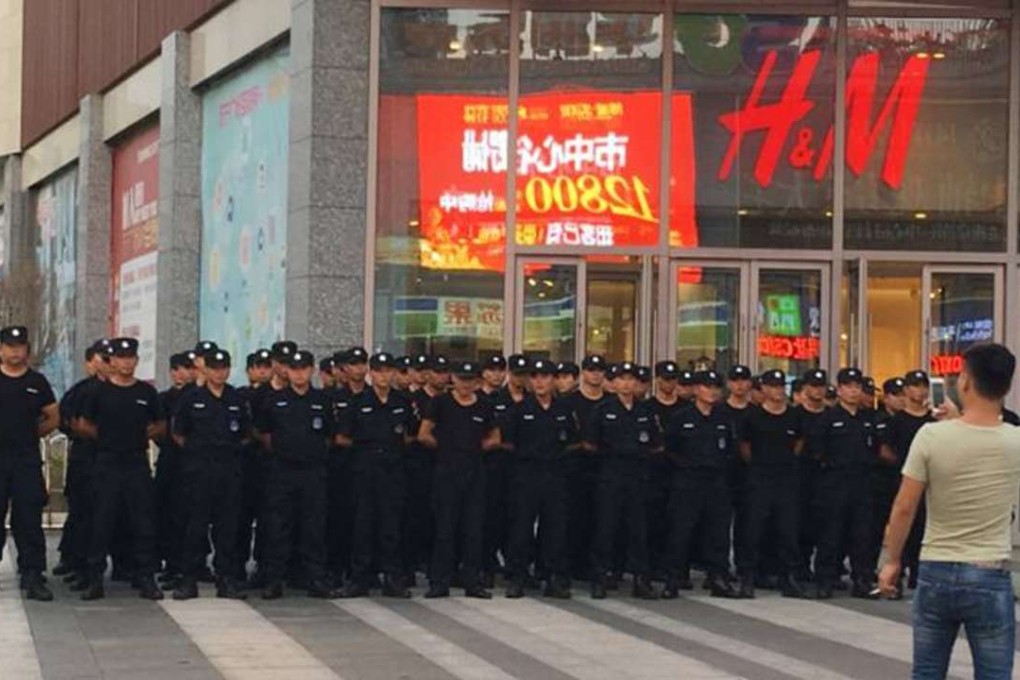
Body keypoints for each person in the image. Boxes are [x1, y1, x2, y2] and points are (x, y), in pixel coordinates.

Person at [879, 343, 1020, 680]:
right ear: (1007, 386)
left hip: (936, 570)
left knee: (927, 672)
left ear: (966, 381)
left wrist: (893, 561)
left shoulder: (931, 436)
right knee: (994, 673)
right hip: (989, 570)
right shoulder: (1015, 441)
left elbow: (904, 507)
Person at [76, 337, 164, 600]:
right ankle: (94, 579)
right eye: (120, 357)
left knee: (142, 522)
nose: (126, 362)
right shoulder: (98, 392)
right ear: (111, 361)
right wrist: (107, 439)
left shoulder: (146, 393)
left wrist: (138, 436)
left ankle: (146, 577)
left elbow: (159, 424)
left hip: (136, 462)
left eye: (131, 357)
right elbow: (83, 424)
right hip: (107, 463)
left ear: (136, 360)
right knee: (101, 521)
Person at [256, 350, 341, 599]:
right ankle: (274, 580)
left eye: (304, 368)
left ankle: (315, 578)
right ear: (287, 371)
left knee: (313, 527)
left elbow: (328, 436)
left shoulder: (322, 400)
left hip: (313, 472)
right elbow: (264, 433)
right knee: (278, 527)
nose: (299, 373)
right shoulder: (275, 399)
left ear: (312, 370)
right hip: (282, 471)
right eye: (294, 369)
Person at [171, 349, 249, 600]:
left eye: (223, 367)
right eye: (214, 367)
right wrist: (198, 454)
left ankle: (226, 579)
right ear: (205, 369)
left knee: (227, 528)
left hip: (229, 472)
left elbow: (245, 434)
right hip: (199, 472)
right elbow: (179, 433)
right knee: (195, 527)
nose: (219, 372)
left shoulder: (236, 398)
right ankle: (188, 579)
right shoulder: (191, 397)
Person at [418, 360, 500, 599]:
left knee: (473, 530)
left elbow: (495, 437)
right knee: (445, 529)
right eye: (461, 379)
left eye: (470, 380)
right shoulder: (440, 403)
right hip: (446, 473)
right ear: (453, 379)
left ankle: (472, 581)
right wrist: (446, 449)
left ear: (477, 382)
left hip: (475, 473)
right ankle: (439, 581)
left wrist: (474, 449)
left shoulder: (484, 405)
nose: (466, 384)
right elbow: (424, 434)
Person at [336, 352, 414, 598]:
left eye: (388, 370)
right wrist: (367, 450)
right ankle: (359, 579)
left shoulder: (401, 402)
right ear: (371, 373)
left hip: (392, 473)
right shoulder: (358, 402)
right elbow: (342, 437)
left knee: (391, 527)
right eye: (378, 371)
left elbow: (409, 435)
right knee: (363, 526)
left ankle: (392, 578)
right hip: (364, 472)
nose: (383, 375)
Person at [503, 359, 578, 599]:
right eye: (534, 377)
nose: (539, 381)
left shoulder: (565, 409)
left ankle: (551, 576)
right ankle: (518, 576)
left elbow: (573, 442)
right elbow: (508, 443)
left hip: (555, 475)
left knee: (555, 528)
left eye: (545, 376)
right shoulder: (520, 409)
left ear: (553, 379)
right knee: (521, 527)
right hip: (526, 476)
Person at [585, 362, 660, 600]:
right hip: (610, 474)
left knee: (639, 529)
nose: (626, 384)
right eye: (621, 379)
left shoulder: (645, 411)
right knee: (606, 528)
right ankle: (600, 577)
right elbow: (590, 443)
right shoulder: (603, 409)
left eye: (631, 379)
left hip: (637, 475)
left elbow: (657, 444)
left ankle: (641, 579)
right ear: (612, 383)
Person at [662, 370, 738, 599]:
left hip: (716, 481)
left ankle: (718, 579)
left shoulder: (723, 418)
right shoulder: (681, 417)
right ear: (695, 389)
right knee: (680, 532)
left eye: (716, 386)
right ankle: (673, 579)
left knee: (718, 533)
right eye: (706, 386)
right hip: (688, 481)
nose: (712, 391)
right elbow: (669, 448)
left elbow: (731, 450)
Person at [736, 369, 809, 599]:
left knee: (788, 529)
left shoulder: (794, 416)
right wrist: (759, 466)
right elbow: (745, 448)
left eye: (780, 386)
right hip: (759, 478)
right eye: (773, 386)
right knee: (753, 528)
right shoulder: (752, 416)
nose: (778, 390)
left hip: (786, 478)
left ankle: (788, 577)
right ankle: (748, 576)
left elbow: (799, 442)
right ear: (764, 389)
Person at [0, 326, 59, 600]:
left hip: (25, 460)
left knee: (29, 520)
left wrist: (32, 435)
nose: (15, 351)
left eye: (19, 346)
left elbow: (52, 416)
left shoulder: (37, 382)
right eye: (9, 346)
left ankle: (33, 575)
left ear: (27, 349)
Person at [808, 368, 877, 599]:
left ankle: (862, 580)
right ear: (839, 390)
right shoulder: (828, 418)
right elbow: (817, 452)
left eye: (857, 386)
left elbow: (874, 449)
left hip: (862, 483)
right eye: (848, 386)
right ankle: (825, 580)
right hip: (835, 483)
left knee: (862, 535)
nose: (853, 391)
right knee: (830, 534)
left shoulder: (867, 419)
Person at [54, 339, 109, 587]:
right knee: (82, 512)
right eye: (101, 360)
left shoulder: (128, 391)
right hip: (85, 459)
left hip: (116, 461)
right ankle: (75, 560)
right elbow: (63, 419)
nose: (106, 365)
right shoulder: (80, 391)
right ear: (89, 364)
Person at [877, 369, 936, 591]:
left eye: (923, 386)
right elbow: (885, 450)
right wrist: (904, 466)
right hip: (901, 480)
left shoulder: (933, 421)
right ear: (906, 390)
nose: (919, 391)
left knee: (924, 528)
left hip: (930, 485)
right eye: (915, 386)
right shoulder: (897, 421)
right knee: (903, 526)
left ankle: (918, 574)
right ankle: (896, 574)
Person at [565, 354, 607, 580]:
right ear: (583, 373)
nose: (596, 374)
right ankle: (573, 565)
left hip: (604, 469)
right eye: (591, 370)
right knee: (575, 519)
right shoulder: (569, 402)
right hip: (575, 469)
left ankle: (597, 566)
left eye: (599, 369)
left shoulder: (610, 402)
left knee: (601, 521)